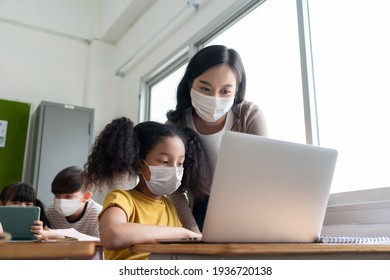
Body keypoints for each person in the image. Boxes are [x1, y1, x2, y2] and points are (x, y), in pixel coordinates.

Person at [166, 45, 268, 232]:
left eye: (225, 91)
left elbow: (264, 174)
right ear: (190, 83)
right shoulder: (176, 126)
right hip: (202, 210)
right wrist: (192, 231)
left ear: (236, 91)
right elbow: (175, 189)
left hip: (247, 204)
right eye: (205, 88)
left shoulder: (249, 115)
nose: (214, 98)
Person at [84, 117, 202, 260]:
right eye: (164, 162)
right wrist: (183, 233)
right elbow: (112, 235)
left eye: (180, 163)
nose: (174, 170)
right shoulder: (122, 199)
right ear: (139, 165)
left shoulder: (169, 206)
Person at [44, 166, 102, 238]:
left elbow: (100, 247)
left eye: (68, 196)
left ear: (86, 197)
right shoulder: (51, 212)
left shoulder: (99, 216)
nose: (61, 201)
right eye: (57, 195)